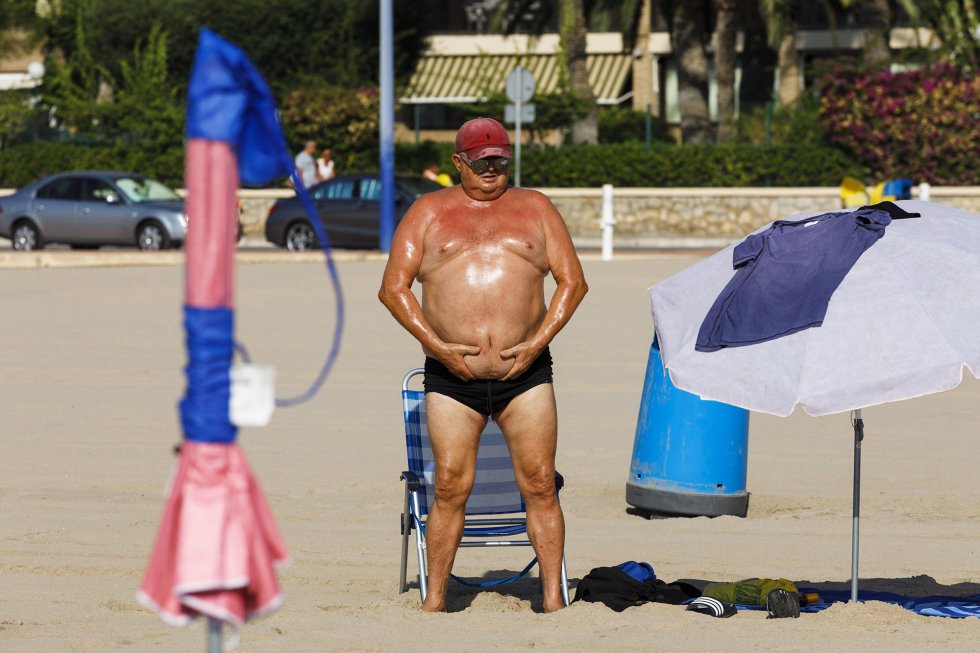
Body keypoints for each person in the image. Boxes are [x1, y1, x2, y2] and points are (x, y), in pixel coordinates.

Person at [379, 117, 588, 613]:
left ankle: (553, 600)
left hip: (527, 376)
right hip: (451, 379)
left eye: (499, 161)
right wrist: (437, 346)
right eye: (481, 162)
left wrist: (537, 344)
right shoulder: (428, 211)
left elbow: (573, 282)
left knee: (540, 483)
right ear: (458, 162)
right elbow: (393, 288)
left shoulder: (536, 207)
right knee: (450, 485)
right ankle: (434, 602)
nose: (491, 169)